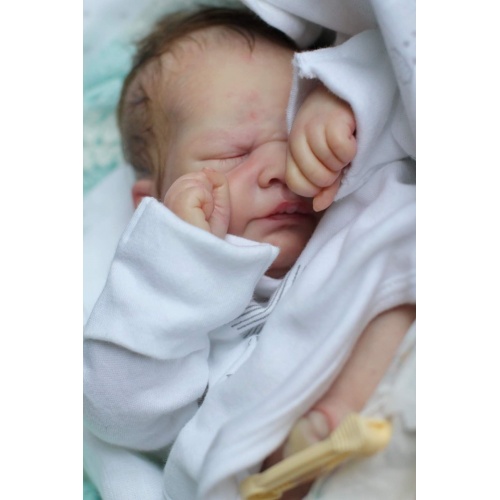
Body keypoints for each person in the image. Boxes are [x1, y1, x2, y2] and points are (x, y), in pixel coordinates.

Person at [83, 6, 415, 500]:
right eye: (232, 154)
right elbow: (119, 414)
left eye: (294, 130)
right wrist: (176, 254)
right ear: (152, 206)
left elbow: (405, 68)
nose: (280, 167)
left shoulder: (363, 195)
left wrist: (343, 101)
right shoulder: (178, 304)